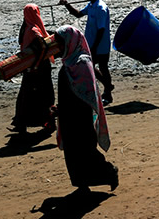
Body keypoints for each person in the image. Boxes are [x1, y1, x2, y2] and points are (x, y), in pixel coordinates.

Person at [53, 25, 118, 192]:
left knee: (85, 151)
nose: (58, 48)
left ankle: (109, 173)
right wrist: (59, 109)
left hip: (81, 117)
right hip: (68, 116)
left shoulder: (82, 63)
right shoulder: (68, 62)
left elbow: (89, 92)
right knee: (72, 153)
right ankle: (81, 184)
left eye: (60, 44)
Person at [59, 0, 114, 104]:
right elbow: (78, 14)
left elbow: (101, 30)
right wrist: (66, 5)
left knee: (100, 67)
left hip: (101, 44)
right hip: (92, 43)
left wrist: (94, 47)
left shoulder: (101, 8)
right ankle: (108, 87)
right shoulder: (91, 5)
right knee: (93, 67)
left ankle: (107, 91)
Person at [10, 4, 55, 136]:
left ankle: (24, 124)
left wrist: (34, 65)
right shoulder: (33, 27)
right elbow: (43, 46)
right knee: (39, 96)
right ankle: (29, 123)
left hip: (35, 69)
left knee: (29, 96)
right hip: (38, 67)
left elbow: (41, 46)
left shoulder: (31, 29)